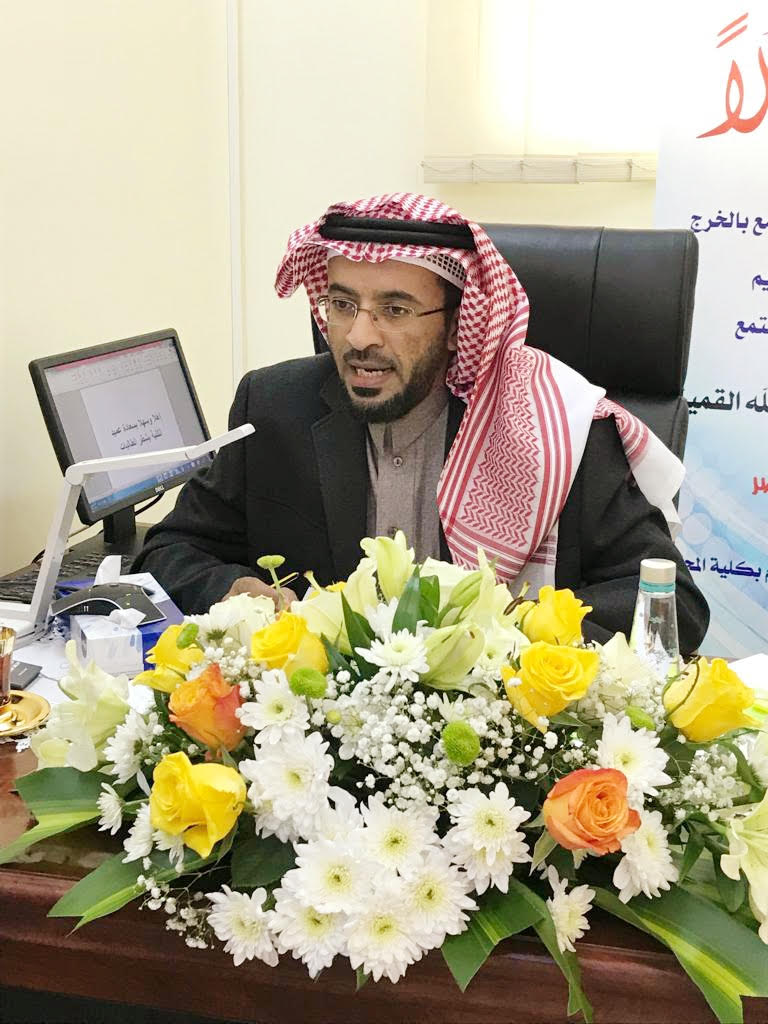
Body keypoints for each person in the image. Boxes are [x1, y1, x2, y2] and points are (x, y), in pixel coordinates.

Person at [133, 193, 709, 653]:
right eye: (342, 305)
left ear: (458, 324)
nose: (359, 336)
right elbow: (170, 550)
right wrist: (234, 593)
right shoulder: (273, 406)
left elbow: (673, 606)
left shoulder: (554, 425)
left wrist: (516, 629)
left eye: (395, 310)